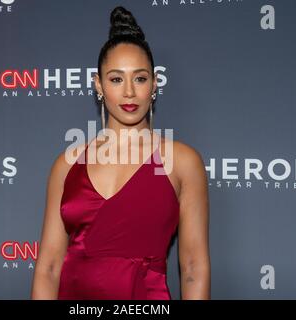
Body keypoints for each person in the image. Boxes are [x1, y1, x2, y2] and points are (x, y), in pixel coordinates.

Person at [31, 6, 210, 300]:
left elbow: (193, 267)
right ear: (98, 85)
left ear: (154, 85)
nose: (129, 92)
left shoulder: (182, 161)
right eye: (116, 79)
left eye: (139, 79)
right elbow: (48, 267)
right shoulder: (67, 164)